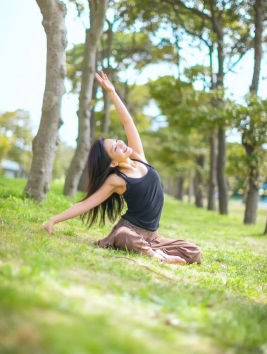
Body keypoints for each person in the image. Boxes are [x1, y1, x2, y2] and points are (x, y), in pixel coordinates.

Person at [41, 72, 201, 265]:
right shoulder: (117, 180)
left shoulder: (139, 158)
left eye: (117, 140)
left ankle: (154, 250)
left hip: (153, 237)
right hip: (130, 232)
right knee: (124, 235)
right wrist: (53, 220)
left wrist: (112, 92)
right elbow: (85, 204)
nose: (121, 143)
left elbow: (128, 122)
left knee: (193, 251)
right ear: (113, 163)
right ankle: (159, 257)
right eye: (115, 147)